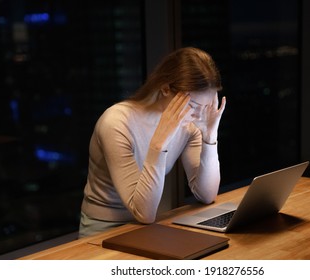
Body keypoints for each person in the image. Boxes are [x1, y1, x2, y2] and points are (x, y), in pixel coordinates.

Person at [79, 47, 226, 238]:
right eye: (192, 106)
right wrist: (159, 143)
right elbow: (144, 214)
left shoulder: (189, 124)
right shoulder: (116, 122)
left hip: (150, 226)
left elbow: (207, 195)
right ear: (165, 89)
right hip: (104, 230)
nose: (199, 115)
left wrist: (209, 136)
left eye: (207, 107)